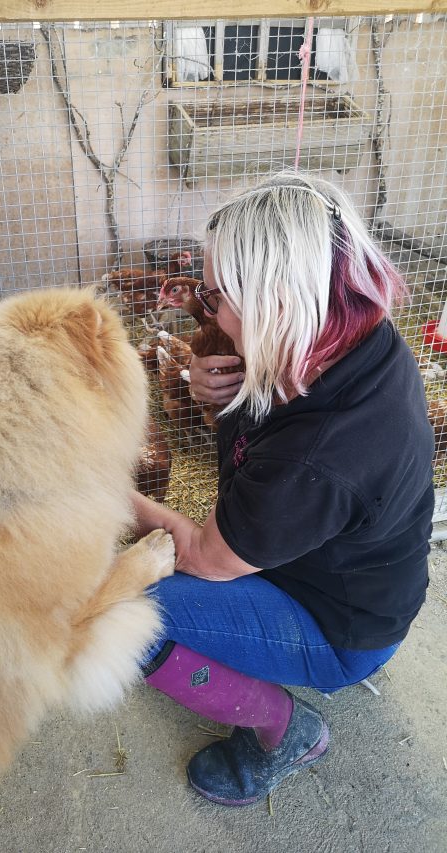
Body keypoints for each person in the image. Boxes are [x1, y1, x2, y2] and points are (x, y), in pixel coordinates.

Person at [131, 171, 435, 807]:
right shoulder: (347, 338)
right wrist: (219, 399)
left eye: (217, 298)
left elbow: (204, 560)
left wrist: (103, 491)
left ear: (274, 296)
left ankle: (285, 731)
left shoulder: (322, 454)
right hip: (333, 572)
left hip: (339, 627)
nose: (210, 314)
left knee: (124, 617)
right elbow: (254, 461)